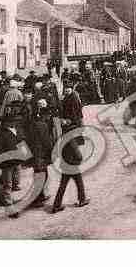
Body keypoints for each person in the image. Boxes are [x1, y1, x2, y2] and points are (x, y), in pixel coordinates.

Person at [52, 82, 90, 213]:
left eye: (68, 88)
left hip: (66, 163)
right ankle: (80, 199)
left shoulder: (64, 134)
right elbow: (78, 155)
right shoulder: (71, 135)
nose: (67, 90)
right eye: (66, 88)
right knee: (72, 181)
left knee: (65, 183)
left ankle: (60, 204)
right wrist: (79, 159)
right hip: (72, 164)